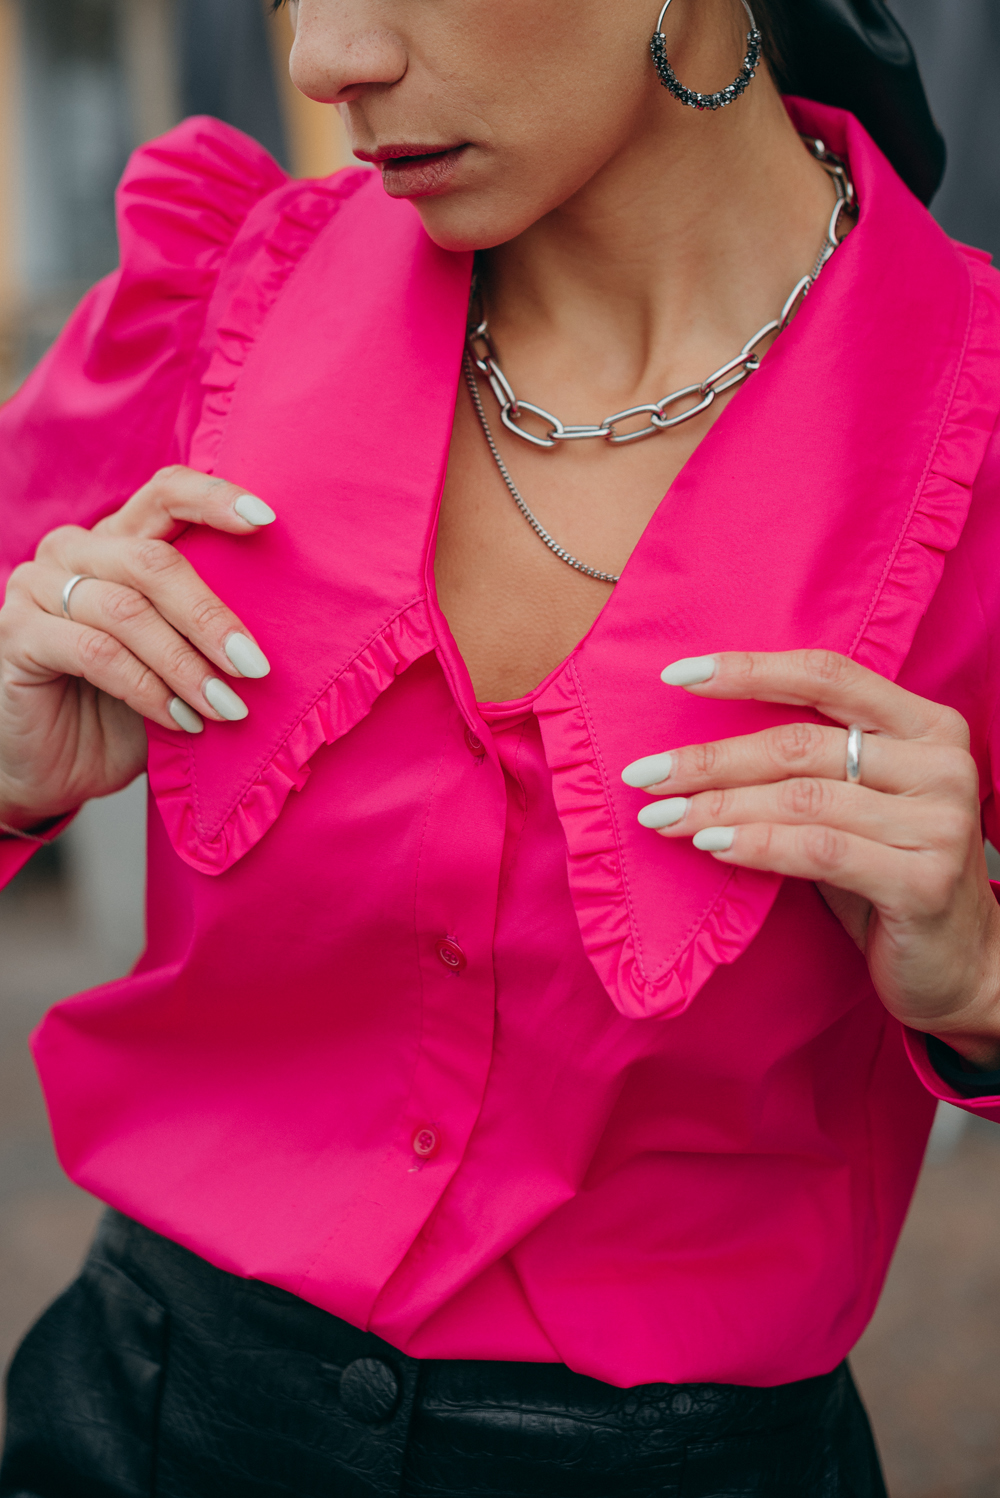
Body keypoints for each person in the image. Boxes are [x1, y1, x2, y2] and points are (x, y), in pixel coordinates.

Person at [1, 0, 999, 1493]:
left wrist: (982, 973)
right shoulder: (215, 302)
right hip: (137, 1419)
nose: (324, 61)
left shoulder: (970, 417)